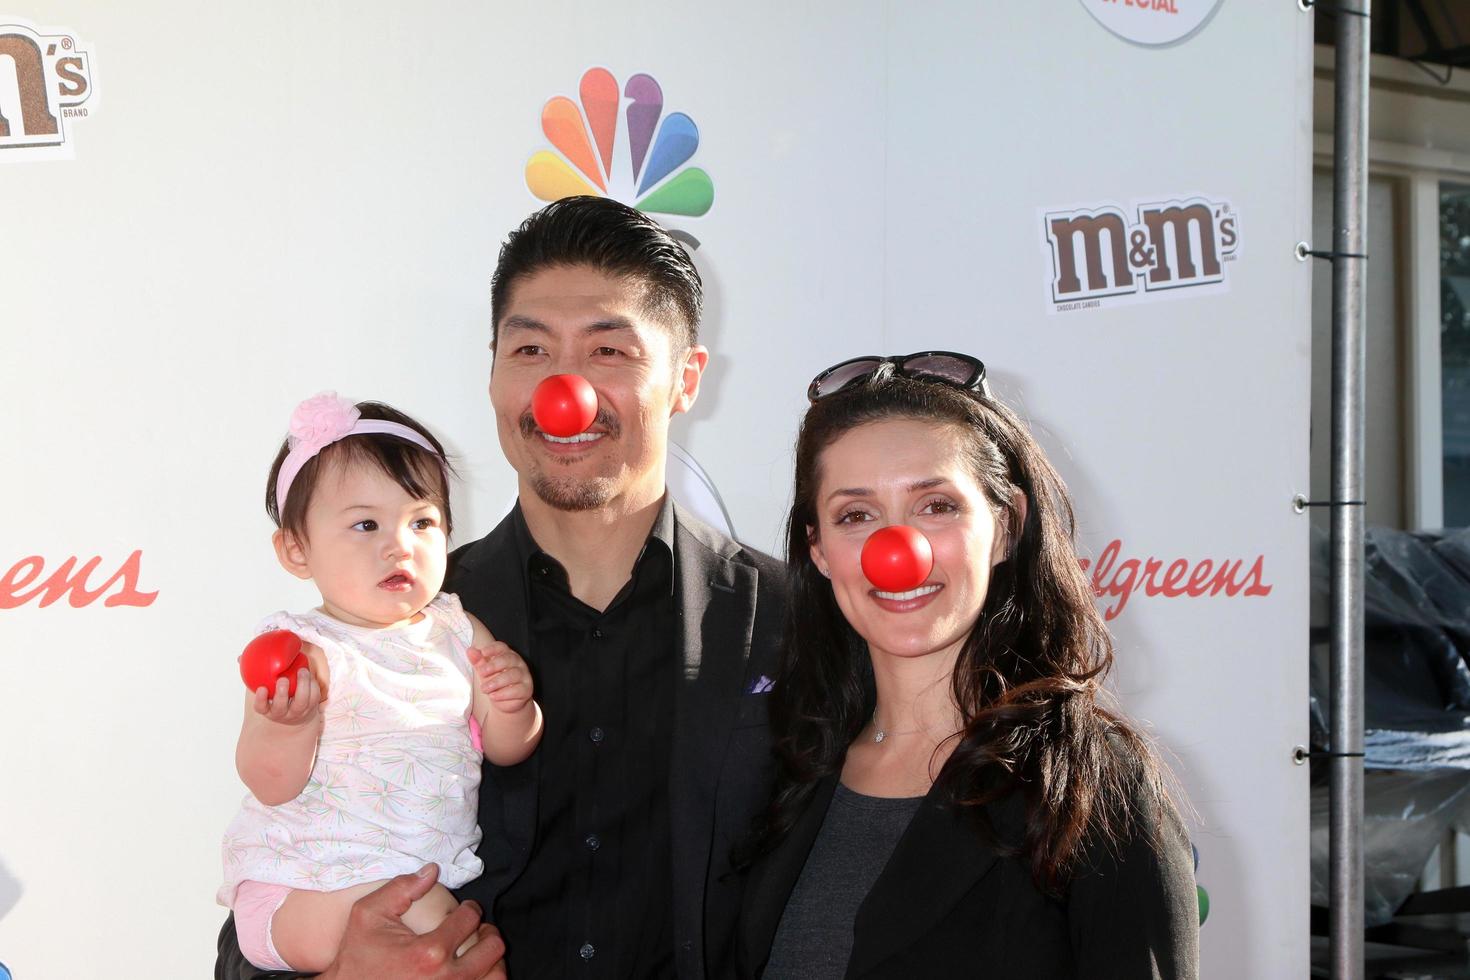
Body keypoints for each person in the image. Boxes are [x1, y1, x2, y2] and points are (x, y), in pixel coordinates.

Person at [216, 196, 787, 979]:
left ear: (686, 379)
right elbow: (276, 905)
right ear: (492, 373)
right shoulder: (392, 625)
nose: (566, 392)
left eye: (609, 352)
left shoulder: (791, 620)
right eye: (530, 352)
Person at [736, 353, 1199, 979]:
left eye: (937, 506)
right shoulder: (779, 770)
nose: (896, 552)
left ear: (1006, 527)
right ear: (818, 550)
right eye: (856, 516)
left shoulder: (1091, 788)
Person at [220, 394, 543, 973]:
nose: (400, 544)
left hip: (413, 890)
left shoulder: (458, 628)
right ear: (297, 550)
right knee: (466, 952)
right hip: (300, 889)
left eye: (422, 522)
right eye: (365, 524)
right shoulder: (304, 650)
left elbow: (507, 746)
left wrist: (515, 702)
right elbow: (269, 784)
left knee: (454, 942)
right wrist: (288, 725)